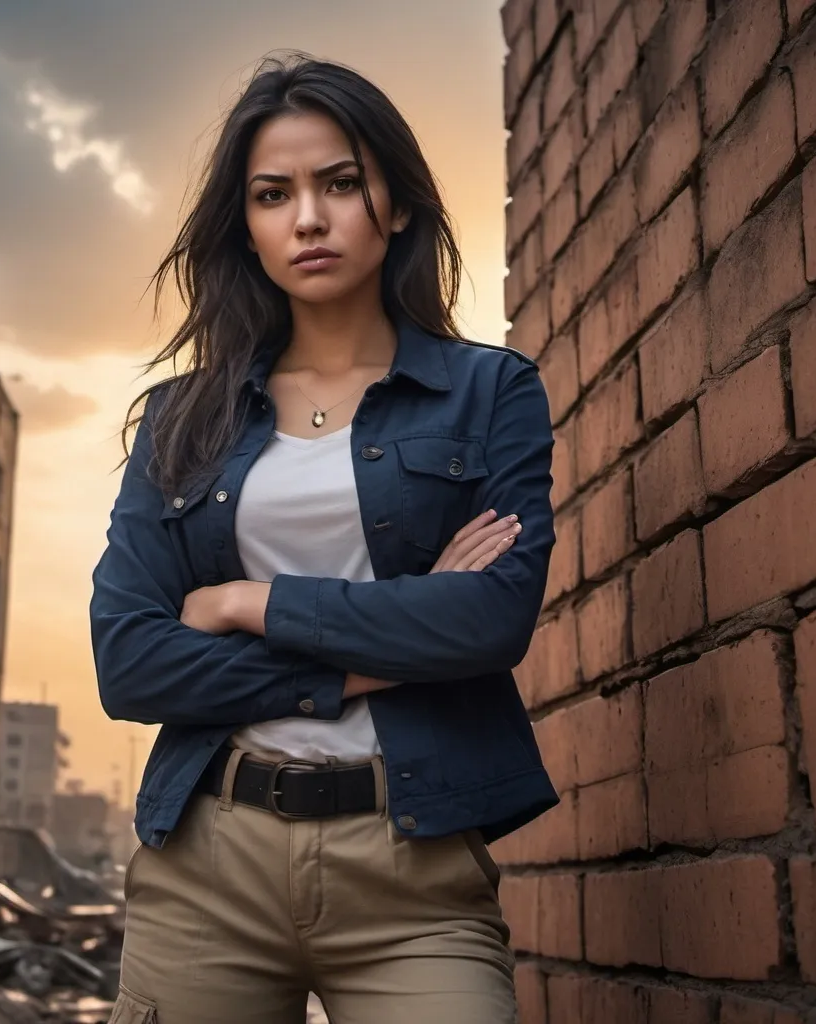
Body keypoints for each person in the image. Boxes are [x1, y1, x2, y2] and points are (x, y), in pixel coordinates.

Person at [90, 53, 557, 1024]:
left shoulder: (488, 393)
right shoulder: (183, 421)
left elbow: (488, 619)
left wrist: (243, 603)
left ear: (392, 203)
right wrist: (360, 663)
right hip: (207, 860)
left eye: (339, 183)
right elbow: (129, 659)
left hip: (413, 863)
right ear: (247, 228)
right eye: (273, 194)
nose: (308, 217)